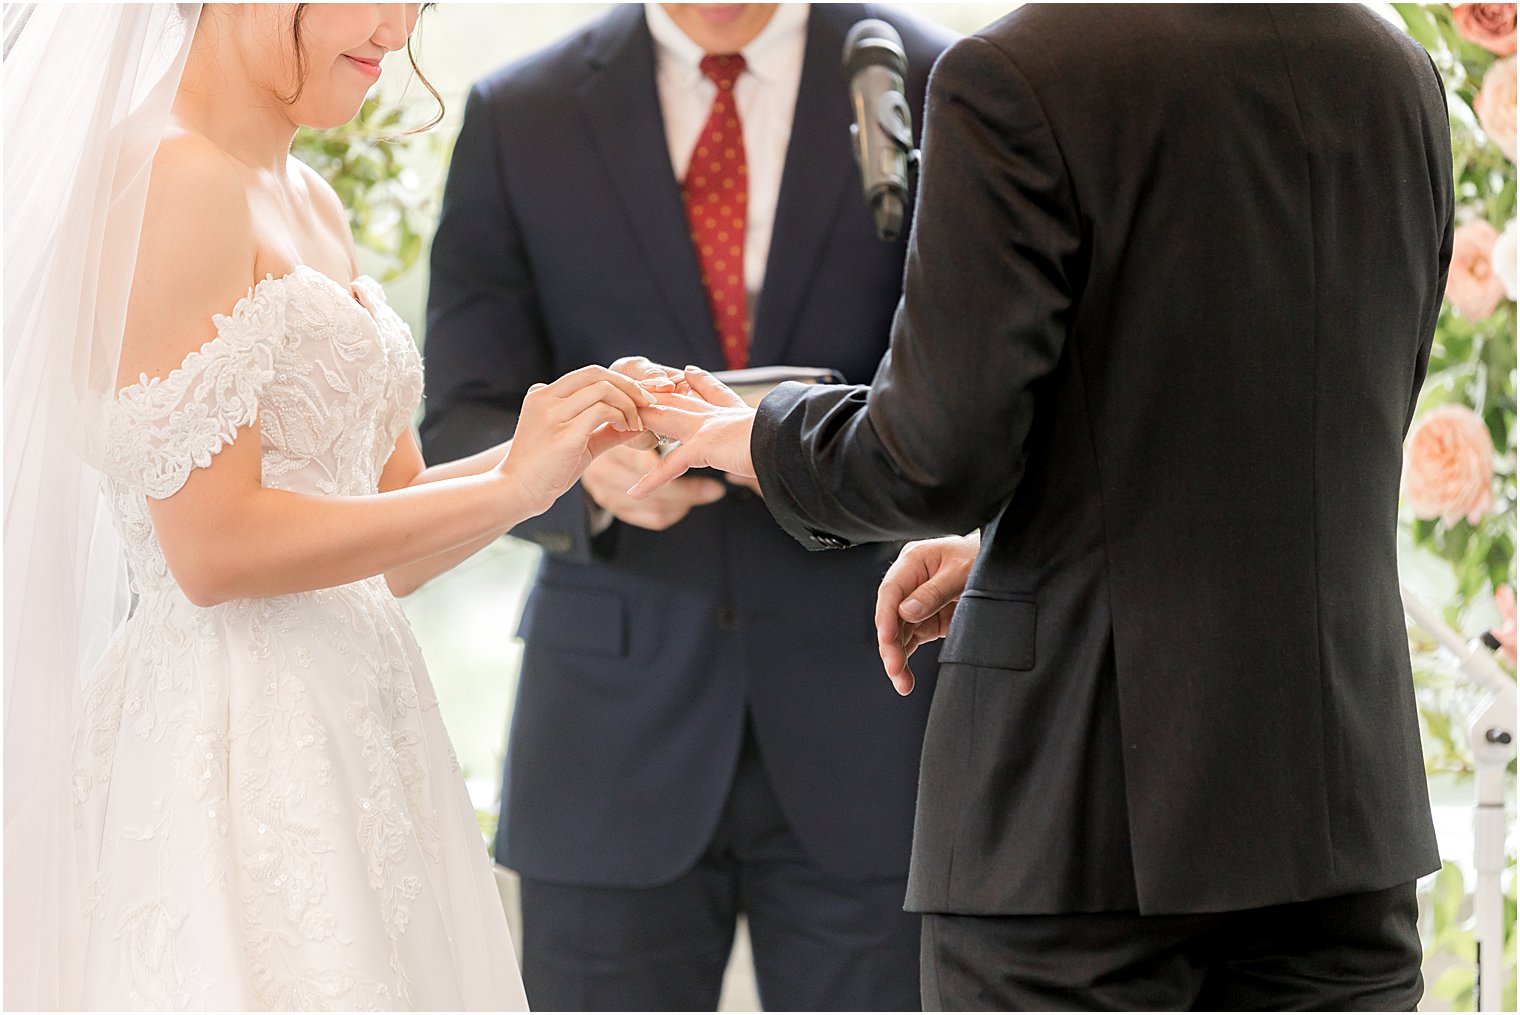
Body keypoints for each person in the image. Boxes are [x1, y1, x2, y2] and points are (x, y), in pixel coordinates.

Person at [627, 4, 1454, 1009]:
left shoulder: (1021, 72)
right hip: (1339, 831)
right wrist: (1032, 543)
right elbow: (1303, 432)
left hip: (1079, 838)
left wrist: (754, 434)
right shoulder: (1392, 72)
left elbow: (929, 456)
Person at [6, 5, 662, 1008]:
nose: (399, 32)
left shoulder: (309, 195)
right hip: (237, 750)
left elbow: (386, 523)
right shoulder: (172, 178)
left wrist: (550, 451)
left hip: (363, 720)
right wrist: (506, 485)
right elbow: (213, 549)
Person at [423, 3, 951, 1009]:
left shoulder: (930, 77)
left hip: (880, 725)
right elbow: (458, 415)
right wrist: (581, 479)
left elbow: (987, 387)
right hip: (608, 740)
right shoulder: (519, 110)